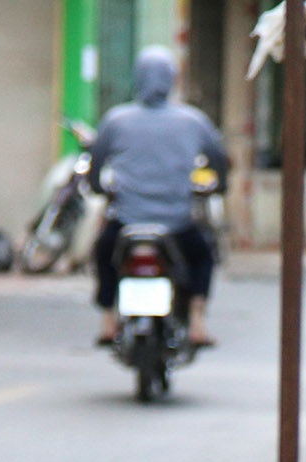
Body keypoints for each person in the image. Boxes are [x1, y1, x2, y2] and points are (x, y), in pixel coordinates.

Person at [88, 47, 228, 348]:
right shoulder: (193, 121)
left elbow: (95, 164)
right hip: (177, 224)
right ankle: (197, 319)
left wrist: (99, 189)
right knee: (204, 256)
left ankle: (108, 320)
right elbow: (219, 160)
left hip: (126, 222)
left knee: (103, 254)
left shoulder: (116, 119)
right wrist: (220, 185)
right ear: (172, 80)